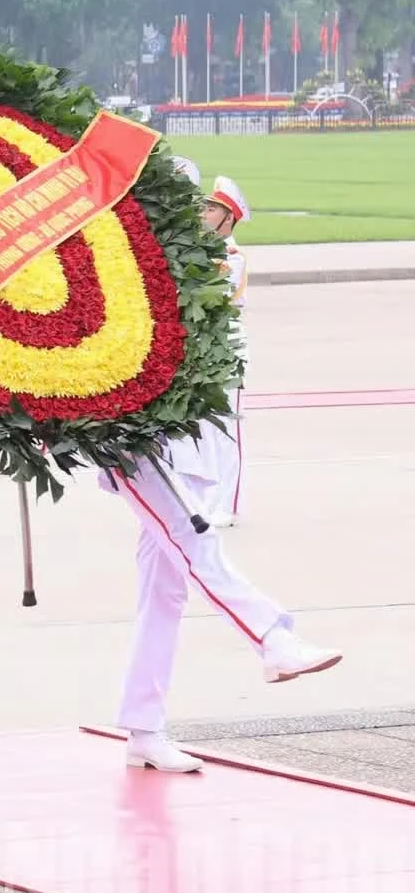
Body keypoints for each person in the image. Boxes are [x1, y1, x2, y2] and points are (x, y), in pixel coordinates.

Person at [103, 164, 338, 775]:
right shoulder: (120, 254)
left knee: (166, 591)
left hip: (189, 440)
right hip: (140, 442)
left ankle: (143, 727)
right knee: (196, 546)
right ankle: (273, 638)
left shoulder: (196, 255)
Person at [201, 174, 250, 527]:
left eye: (213, 209)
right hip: (201, 348)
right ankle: (205, 499)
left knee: (225, 429)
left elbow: (208, 294)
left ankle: (227, 505)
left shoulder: (231, 257)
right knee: (201, 429)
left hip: (226, 346)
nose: (204, 213)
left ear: (229, 218)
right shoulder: (200, 249)